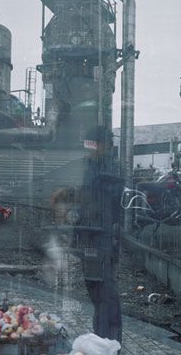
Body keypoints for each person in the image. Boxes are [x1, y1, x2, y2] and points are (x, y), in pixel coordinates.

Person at [77, 126, 123, 343]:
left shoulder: (108, 169)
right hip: (91, 236)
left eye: (93, 144)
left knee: (106, 295)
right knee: (96, 292)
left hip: (101, 238)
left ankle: (109, 343)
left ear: (104, 145)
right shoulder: (92, 165)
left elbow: (106, 207)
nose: (89, 148)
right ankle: (101, 339)